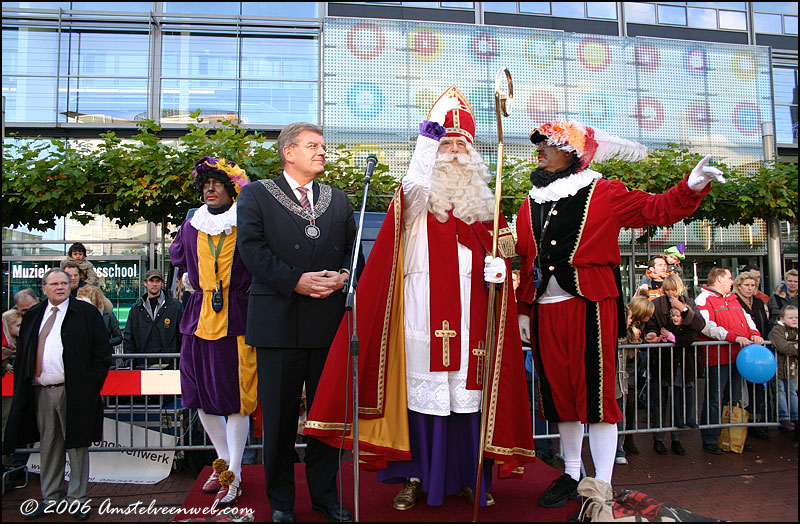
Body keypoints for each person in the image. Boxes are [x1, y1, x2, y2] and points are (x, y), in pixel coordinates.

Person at [305, 86, 535, 514]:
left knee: (469, 398)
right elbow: (411, 188)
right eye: (444, 145)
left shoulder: (489, 205)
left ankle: (471, 478)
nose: (451, 153)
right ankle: (416, 477)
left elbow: (510, 257)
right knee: (421, 399)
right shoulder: (415, 201)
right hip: (421, 314)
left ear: (472, 153)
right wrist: (426, 145)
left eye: (458, 145)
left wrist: (501, 271)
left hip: (472, 317)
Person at [515, 119, 722, 506]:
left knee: (595, 394)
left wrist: (690, 186)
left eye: (547, 145)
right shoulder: (530, 203)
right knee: (559, 395)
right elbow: (528, 262)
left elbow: (655, 209)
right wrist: (524, 309)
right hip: (545, 309)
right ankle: (572, 472)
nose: (539, 151)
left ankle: (602, 481)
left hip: (591, 305)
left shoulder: (603, 192)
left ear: (572, 153)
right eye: (539, 145)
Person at [236, 122, 357, 523]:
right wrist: (296, 281)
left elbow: (353, 253)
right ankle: (282, 503)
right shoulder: (255, 194)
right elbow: (251, 251)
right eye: (313, 145)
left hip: (327, 324)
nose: (322, 151)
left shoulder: (338, 200)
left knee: (326, 419)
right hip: (278, 323)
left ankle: (324, 496)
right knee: (281, 419)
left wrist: (342, 276)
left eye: (322, 146)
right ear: (288, 152)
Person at [170, 156, 257, 507]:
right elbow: (179, 261)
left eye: (218, 183)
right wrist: (186, 278)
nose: (210, 188)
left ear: (232, 188)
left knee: (237, 398)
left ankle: (234, 472)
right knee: (199, 397)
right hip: (197, 319)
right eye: (205, 184)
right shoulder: (191, 225)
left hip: (236, 318)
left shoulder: (247, 223)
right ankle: (223, 464)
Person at [3, 268, 112, 520]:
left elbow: (102, 352)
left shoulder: (85, 313)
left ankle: (77, 499)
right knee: (49, 447)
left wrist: (91, 383)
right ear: (44, 288)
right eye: (54, 283)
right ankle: (51, 498)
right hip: (41, 391)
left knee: (77, 447)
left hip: (74, 392)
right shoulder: (34, 315)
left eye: (64, 283)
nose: (60, 287)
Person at [695, 267, 764, 454]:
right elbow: (707, 326)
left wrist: (755, 334)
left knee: (735, 399)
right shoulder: (703, 299)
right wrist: (733, 336)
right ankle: (710, 438)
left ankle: (732, 437)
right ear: (719, 279)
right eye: (729, 278)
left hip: (738, 356)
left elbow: (747, 320)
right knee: (715, 399)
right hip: (718, 357)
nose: (732, 281)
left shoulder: (732, 299)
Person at [644, 274, 705, 456]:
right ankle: (659, 438)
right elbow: (651, 327)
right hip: (663, 359)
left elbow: (699, 325)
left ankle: (677, 438)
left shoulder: (689, 303)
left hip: (684, 360)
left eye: (674, 290)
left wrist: (683, 310)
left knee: (681, 399)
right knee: (660, 400)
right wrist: (653, 335)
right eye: (667, 290)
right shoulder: (657, 305)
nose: (671, 294)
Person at [615, 297, 654, 466]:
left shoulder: (639, 327)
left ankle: (625, 443)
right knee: (621, 411)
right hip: (623, 375)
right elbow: (628, 354)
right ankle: (619, 448)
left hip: (630, 375)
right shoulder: (626, 329)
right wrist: (635, 343)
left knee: (628, 411)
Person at [733, 271, 771, 437]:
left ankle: (759, 422)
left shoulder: (758, 302)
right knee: (742, 390)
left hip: (759, 351)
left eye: (753, 285)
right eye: (746, 285)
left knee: (759, 389)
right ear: (739, 285)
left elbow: (765, 322)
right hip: (742, 350)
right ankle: (744, 423)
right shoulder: (734, 301)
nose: (750, 288)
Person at [122, 268, 183, 369]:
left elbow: (181, 335)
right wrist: (129, 359)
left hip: (169, 365)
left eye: (157, 281)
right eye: (151, 281)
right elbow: (129, 336)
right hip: (142, 365)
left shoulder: (175, 306)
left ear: (162, 283)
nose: (154, 284)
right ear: (145, 283)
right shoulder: (136, 308)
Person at [768, 305, 798, 436]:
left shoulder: (795, 330)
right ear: (782, 318)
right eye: (790, 317)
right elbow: (783, 347)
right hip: (777, 367)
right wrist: (794, 347)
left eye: (797, 317)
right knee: (780, 392)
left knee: (792, 391)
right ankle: (784, 417)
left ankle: (795, 416)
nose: (794, 320)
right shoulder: (776, 330)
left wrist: (791, 349)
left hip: (790, 367)